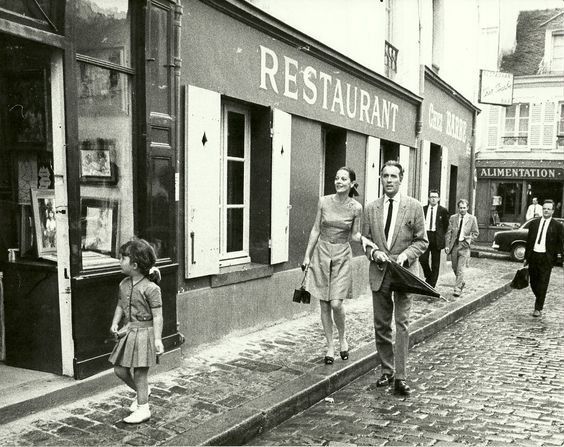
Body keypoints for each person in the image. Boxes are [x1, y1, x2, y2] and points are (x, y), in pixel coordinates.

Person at [361, 160, 428, 396]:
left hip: (404, 274)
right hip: (380, 272)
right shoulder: (371, 208)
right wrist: (374, 253)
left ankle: (400, 377)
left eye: (393, 176)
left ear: (401, 179)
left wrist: (405, 256)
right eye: (385, 176)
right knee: (381, 325)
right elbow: (365, 240)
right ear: (381, 178)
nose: (389, 180)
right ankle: (386, 370)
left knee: (402, 324)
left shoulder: (414, 207)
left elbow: (422, 241)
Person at [302, 167, 363, 365]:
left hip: (342, 255)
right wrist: (307, 256)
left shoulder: (356, 208)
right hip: (322, 253)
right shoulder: (323, 201)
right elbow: (315, 229)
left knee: (336, 303)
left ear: (352, 183)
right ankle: (330, 345)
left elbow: (355, 234)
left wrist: (368, 242)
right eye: (337, 178)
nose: (339, 182)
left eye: (343, 179)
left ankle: (342, 338)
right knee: (324, 303)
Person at [109, 238, 164, 424]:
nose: (119, 261)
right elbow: (120, 304)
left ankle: (143, 409)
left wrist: (157, 339)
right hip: (129, 331)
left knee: (140, 374)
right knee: (120, 370)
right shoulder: (124, 284)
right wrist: (115, 322)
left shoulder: (151, 288)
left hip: (145, 333)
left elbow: (158, 316)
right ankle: (143, 392)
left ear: (134, 265)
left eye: (122, 258)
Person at [523, 199, 564, 317]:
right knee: (533, 282)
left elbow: (561, 243)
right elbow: (529, 241)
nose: (546, 211)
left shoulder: (558, 226)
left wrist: (562, 259)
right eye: (544, 208)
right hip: (534, 256)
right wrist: (526, 257)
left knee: (543, 283)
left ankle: (538, 308)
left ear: (553, 211)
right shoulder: (534, 223)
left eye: (548, 209)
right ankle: (539, 297)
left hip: (547, 258)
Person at [444, 199, 479, 297]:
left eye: (464, 208)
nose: (462, 209)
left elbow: (475, 233)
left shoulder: (472, 219)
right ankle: (461, 282)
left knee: (460, 269)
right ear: (458, 208)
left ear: (467, 208)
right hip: (454, 246)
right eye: (460, 208)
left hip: (464, 246)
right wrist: (447, 245)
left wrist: (468, 241)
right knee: (454, 267)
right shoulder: (453, 218)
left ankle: (457, 289)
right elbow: (448, 232)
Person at [419, 189, 450, 287]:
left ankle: (432, 285)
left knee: (435, 263)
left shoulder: (443, 211)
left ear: (438, 199)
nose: (433, 199)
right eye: (431, 197)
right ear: (428, 198)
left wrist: (441, 236)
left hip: (437, 237)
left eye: (435, 197)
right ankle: (429, 276)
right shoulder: (423, 209)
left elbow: (446, 226)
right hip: (426, 236)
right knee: (422, 259)